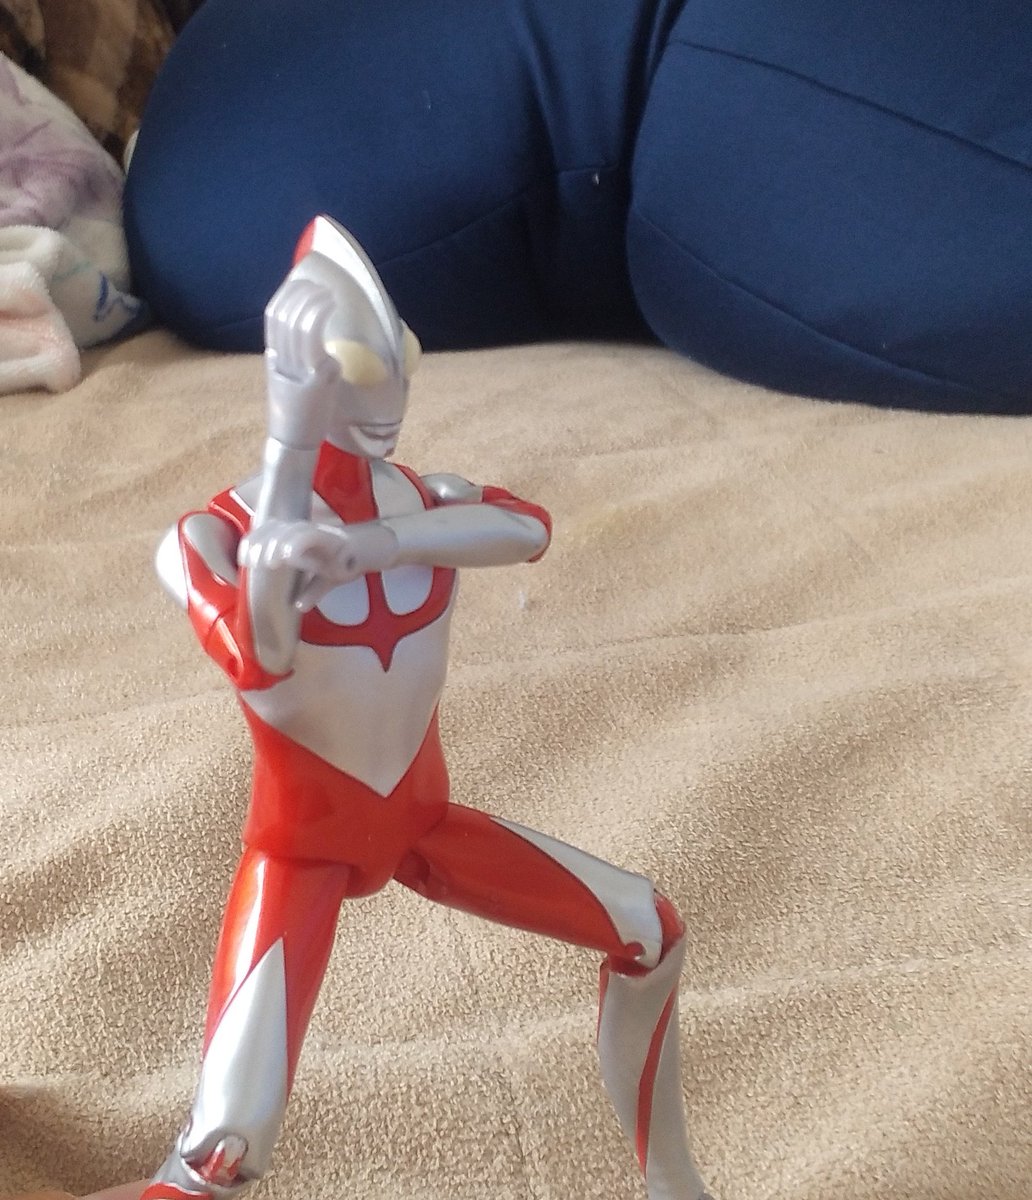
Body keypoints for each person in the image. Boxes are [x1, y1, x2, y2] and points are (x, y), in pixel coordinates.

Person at [143, 216, 713, 1200]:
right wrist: (288, 451)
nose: (387, 405)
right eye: (355, 377)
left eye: (396, 369)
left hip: (422, 822)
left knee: (648, 930)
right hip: (302, 854)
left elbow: (526, 528)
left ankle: (676, 1188)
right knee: (222, 1150)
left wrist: (376, 546)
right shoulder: (213, 534)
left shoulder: (428, 502)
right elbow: (254, 656)